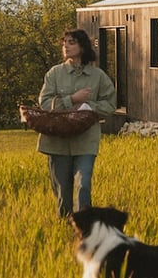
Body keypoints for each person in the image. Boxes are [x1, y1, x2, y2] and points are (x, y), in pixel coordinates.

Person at [37, 28, 116, 218]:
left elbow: (111, 104)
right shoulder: (54, 74)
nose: (66, 46)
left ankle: (85, 226)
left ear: (82, 47)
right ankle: (65, 227)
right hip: (57, 142)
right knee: (63, 193)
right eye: (64, 42)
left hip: (85, 141)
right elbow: (45, 103)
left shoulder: (98, 76)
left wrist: (89, 105)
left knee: (84, 184)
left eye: (71, 42)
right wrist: (71, 99)